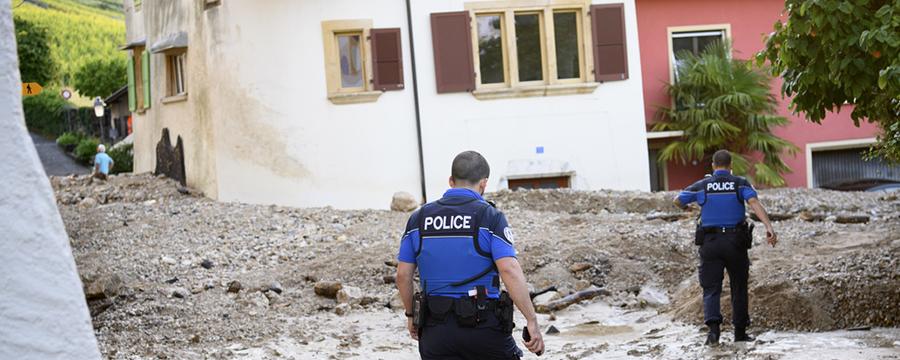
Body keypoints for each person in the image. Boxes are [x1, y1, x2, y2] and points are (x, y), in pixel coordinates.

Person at [396, 151, 544, 359]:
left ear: (451, 181)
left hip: (434, 331)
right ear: (484, 183)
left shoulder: (418, 219)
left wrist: (411, 315)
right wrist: (531, 319)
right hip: (483, 328)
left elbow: (403, 275)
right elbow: (509, 269)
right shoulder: (490, 217)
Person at [673, 149, 777, 346]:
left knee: (711, 289)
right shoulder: (739, 183)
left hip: (710, 244)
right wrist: (769, 227)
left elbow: (677, 200)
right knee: (739, 287)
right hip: (735, 242)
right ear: (731, 167)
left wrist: (691, 208)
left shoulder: (703, 185)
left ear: (713, 166)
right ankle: (739, 333)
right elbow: (754, 202)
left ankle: (713, 333)